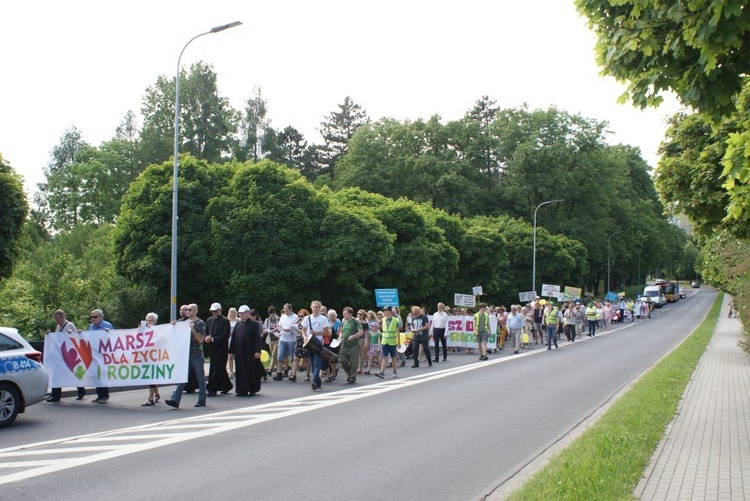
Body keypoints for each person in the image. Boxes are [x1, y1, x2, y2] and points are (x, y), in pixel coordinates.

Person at [165, 303, 207, 408]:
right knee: (181, 377)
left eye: (190, 310)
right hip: (184, 355)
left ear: (196, 311)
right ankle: (175, 400)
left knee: (200, 378)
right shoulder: (183, 323)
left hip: (196, 354)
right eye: (186, 309)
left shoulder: (200, 323)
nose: (187, 311)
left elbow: (201, 339)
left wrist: (192, 329)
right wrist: (173, 326)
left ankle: (202, 400)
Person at [46, 309, 84, 402]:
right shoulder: (58, 326)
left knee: (72, 373)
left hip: (69, 353)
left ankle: (81, 390)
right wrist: (49, 334)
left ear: (63, 317)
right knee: (57, 374)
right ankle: (55, 395)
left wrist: (72, 333)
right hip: (60, 353)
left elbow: (76, 338)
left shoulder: (70, 325)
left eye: (57, 320)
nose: (56, 322)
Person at [229, 305, 263, 396]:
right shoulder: (238, 324)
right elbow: (234, 338)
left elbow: (257, 339)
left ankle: (253, 388)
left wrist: (257, 351)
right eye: (240, 313)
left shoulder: (254, 324)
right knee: (240, 371)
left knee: (250, 370)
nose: (241, 315)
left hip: (250, 352)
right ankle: (242, 389)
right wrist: (231, 351)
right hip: (239, 352)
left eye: (243, 313)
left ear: (248, 313)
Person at [204, 302, 233, 396]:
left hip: (221, 348)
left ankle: (212, 388)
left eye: (215, 311)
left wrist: (213, 339)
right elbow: (206, 332)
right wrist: (206, 338)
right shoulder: (209, 320)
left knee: (217, 367)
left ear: (219, 310)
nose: (213, 313)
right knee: (218, 367)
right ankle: (226, 385)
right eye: (212, 311)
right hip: (212, 348)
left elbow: (225, 335)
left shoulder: (225, 321)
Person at [301, 301, 331, 390]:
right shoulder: (307, 318)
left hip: (318, 343)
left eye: (317, 307)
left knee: (317, 363)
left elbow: (327, 332)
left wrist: (316, 332)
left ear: (320, 308)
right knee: (313, 364)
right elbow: (303, 330)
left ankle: (314, 381)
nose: (316, 309)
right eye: (314, 307)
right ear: (311, 307)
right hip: (309, 343)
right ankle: (318, 383)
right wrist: (305, 337)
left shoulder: (323, 319)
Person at [87, 309, 113, 404]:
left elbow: (114, 338)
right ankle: (99, 395)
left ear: (101, 317)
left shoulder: (107, 325)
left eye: (95, 317)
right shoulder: (91, 327)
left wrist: (108, 333)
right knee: (97, 376)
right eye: (91, 317)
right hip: (94, 354)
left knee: (102, 376)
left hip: (104, 355)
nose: (93, 319)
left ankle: (105, 396)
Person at [375, 307, 402, 379]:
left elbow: (398, 333)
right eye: (384, 311)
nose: (385, 312)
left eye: (386, 311)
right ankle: (382, 372)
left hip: (392, 341)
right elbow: (382, 330)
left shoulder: (395, 320)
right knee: (384, 356)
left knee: (393, 357)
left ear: (390, 312)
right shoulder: (383, 320)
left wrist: (399, 343)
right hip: (384, 341)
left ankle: (394, 370)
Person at [339, 307, 364, 383]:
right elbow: (341, 332)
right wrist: (340, 336)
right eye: (343, 313)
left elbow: (361, 332)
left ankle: (352, 377)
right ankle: (350, 374)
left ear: (350, 314)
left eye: (345, 313)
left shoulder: (355, 321)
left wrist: (354, 336)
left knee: (354, 362)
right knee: (342, 360)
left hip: (353, 345)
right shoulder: (343, 322)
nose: (344, 315)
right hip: (344, 345)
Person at [141, 312, 161, 406]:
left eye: (151, 320)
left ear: (155, 321)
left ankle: (150, 398)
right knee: (152, 376)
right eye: (147, 320)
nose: (148, 322)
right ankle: (156, 394)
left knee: (152, 376)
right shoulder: (143, 330)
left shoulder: (160, 330)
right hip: (146, 356)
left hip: (156, 357)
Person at [274, 303, 298, 381]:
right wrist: (277, 329)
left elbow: (296, 328)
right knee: (280, 357)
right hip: (282, 338)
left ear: (291, 310)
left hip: (291, 340)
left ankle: (292, 373)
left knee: (292, 357)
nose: (286, 312)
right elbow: (280, 325)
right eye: (284, 310)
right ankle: (279, 373)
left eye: (287, 311)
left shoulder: (295, 317)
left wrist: (290, 329)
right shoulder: (283, 317)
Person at [227, 307, 238, 378]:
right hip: (229, 340)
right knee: (230, 356)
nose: (232, 313)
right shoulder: (227, 321)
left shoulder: (238, 321)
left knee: (237, 356)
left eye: (233, 312)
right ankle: (231, 371)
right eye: (230, 312)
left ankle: (237, 371)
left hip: (236, 340)